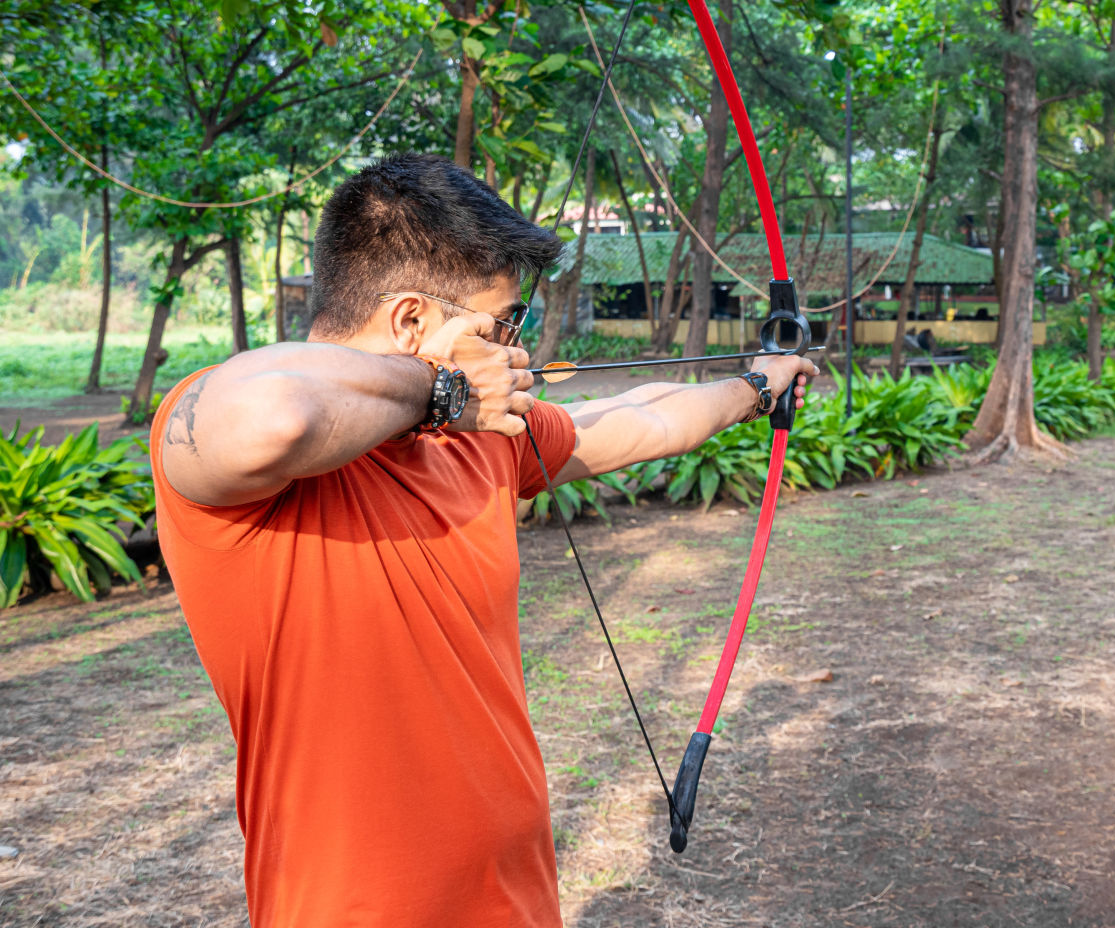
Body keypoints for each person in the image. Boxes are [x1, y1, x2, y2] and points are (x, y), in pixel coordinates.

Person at [149, 153, 816, 928]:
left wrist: (758, 385)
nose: (514, 348)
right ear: (410, 322)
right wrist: (444, 390)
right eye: (500, 325)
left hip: (515, 900)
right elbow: (275, 415)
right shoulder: (239, 470)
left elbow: (641, 416)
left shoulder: (479, 437)